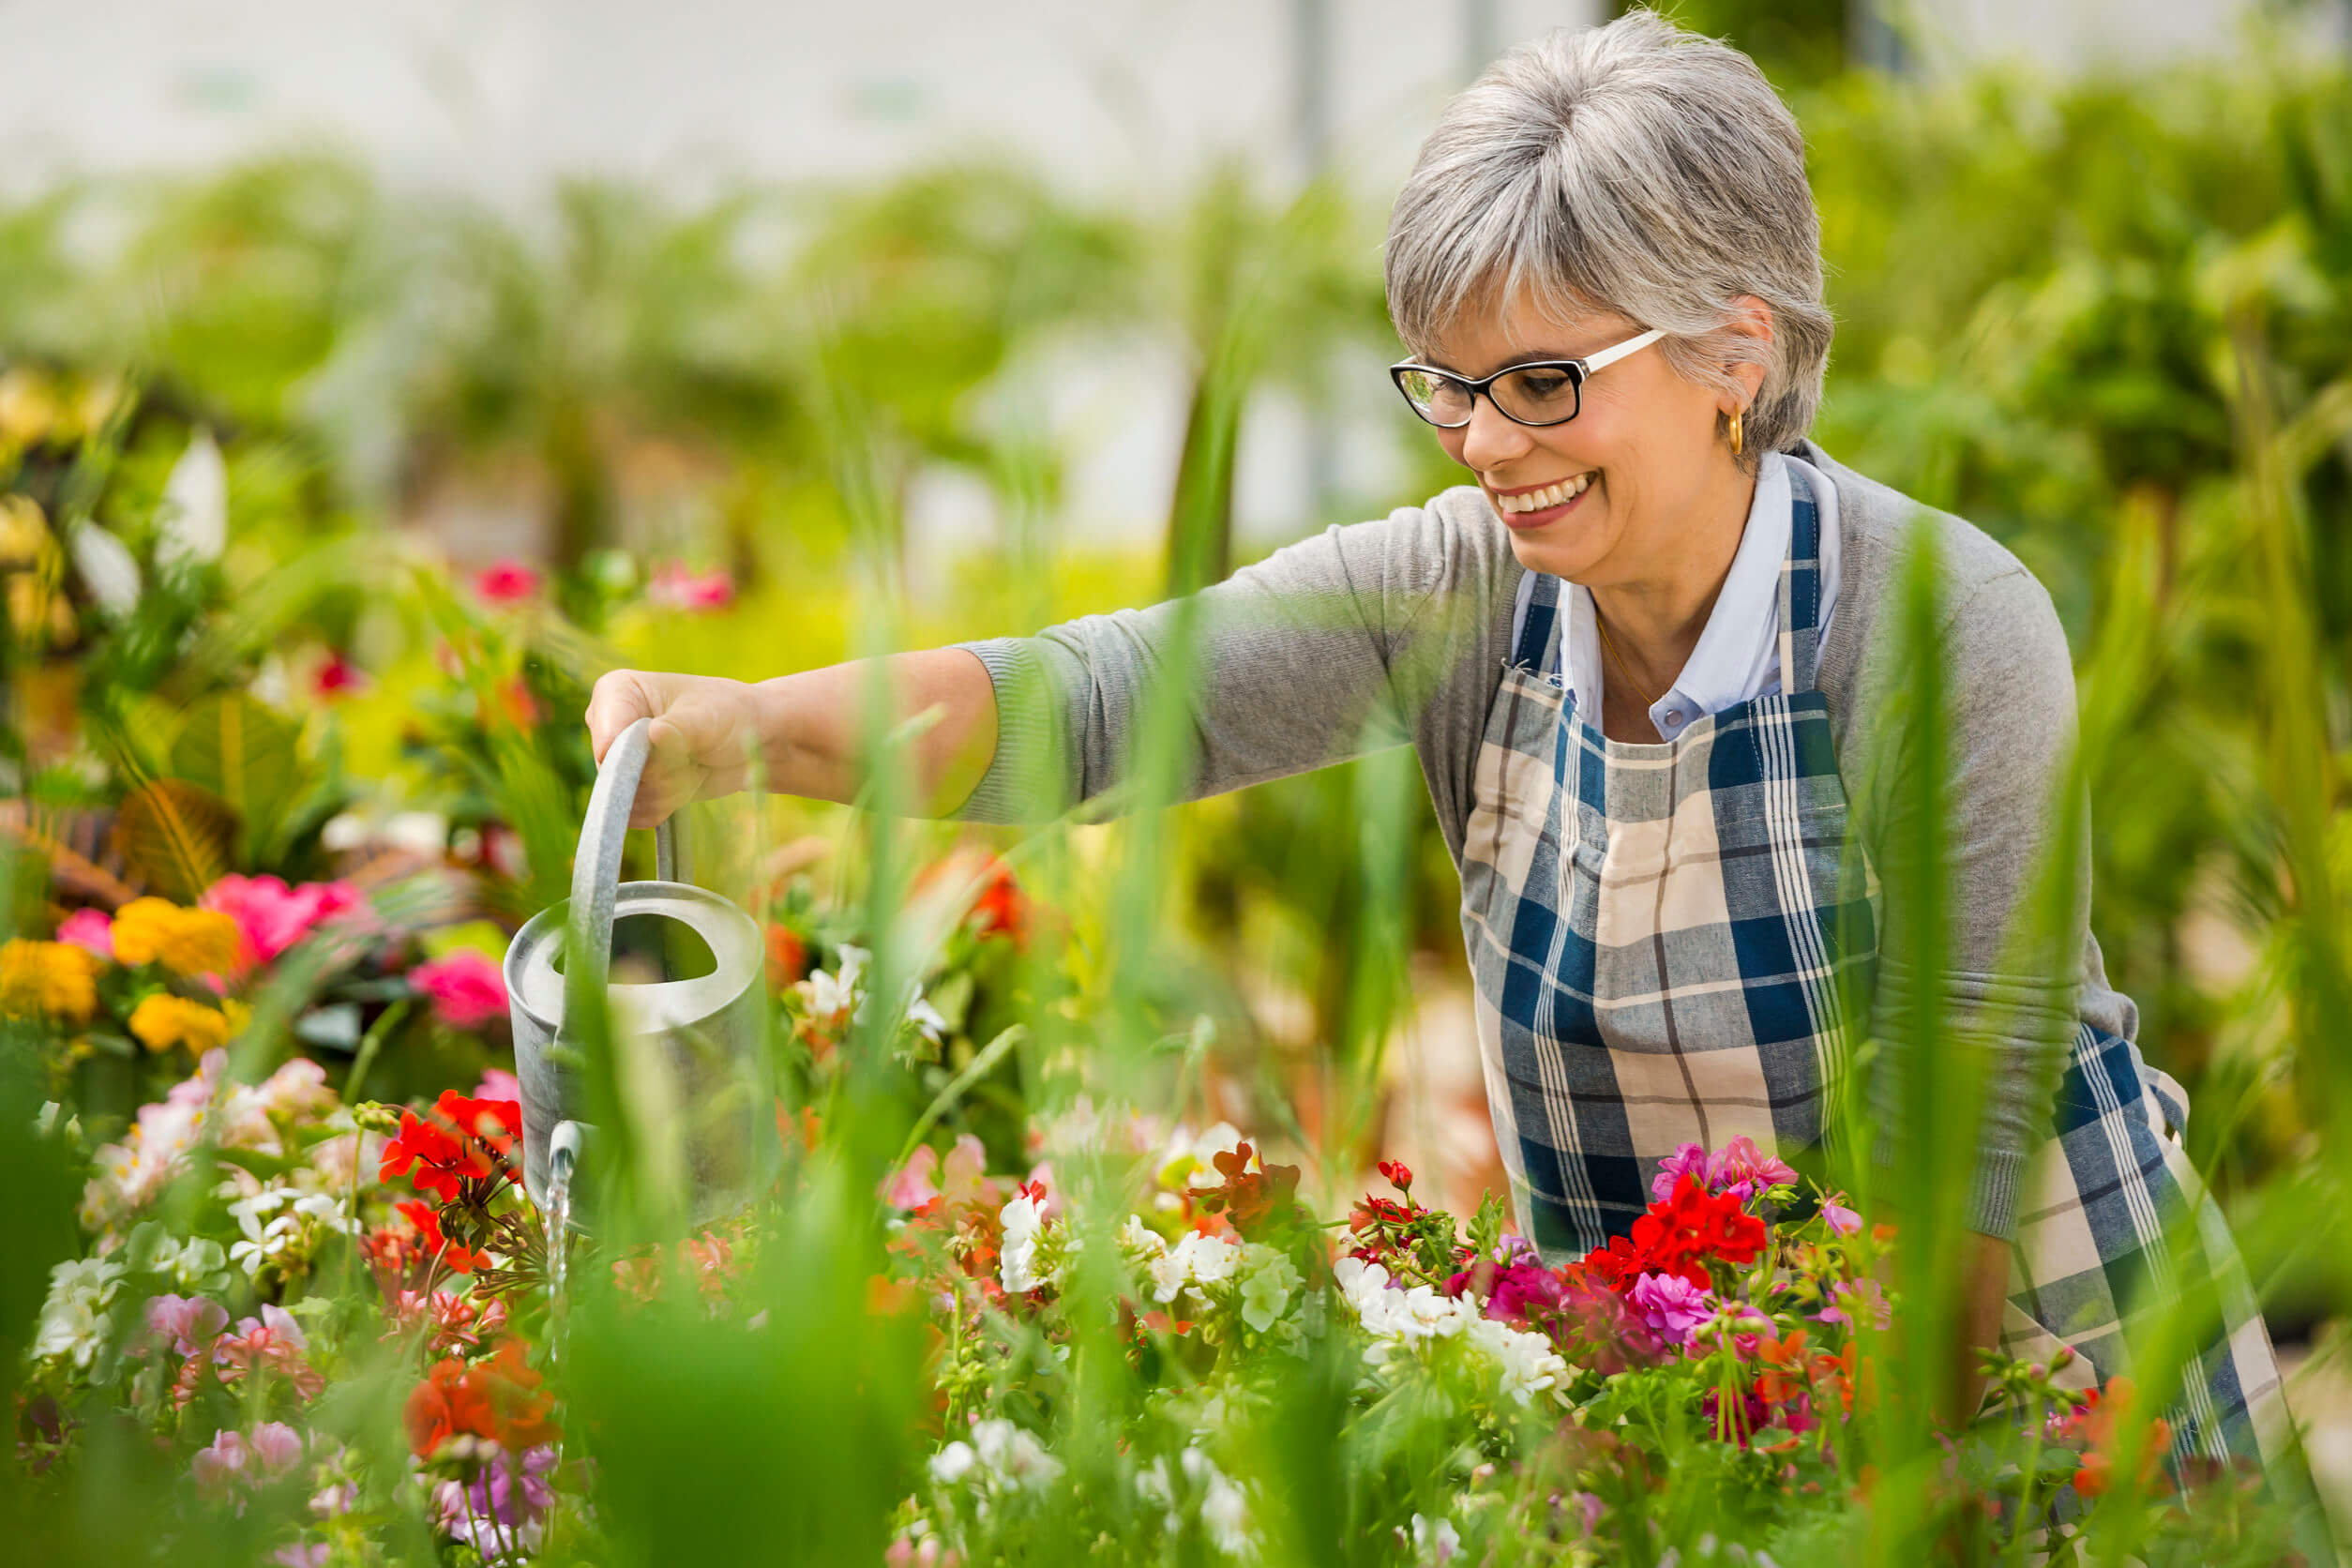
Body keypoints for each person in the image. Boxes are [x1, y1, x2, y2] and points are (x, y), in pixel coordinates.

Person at [585, 11, 2295, 1481]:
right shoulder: (1460, 595)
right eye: (1451, 384)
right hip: (1706, 1420)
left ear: (1734, 351)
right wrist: (739, 733)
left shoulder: (1934, 626)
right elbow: (1093, 700)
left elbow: (1952, 1163)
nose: (1487, 441)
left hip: (2039, 1393)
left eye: (1544, 381)